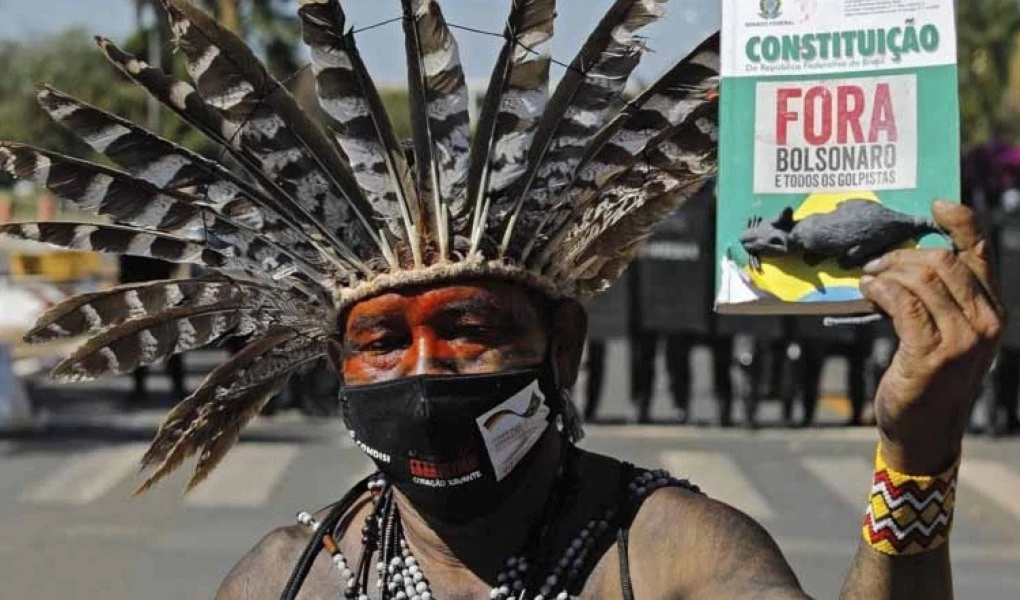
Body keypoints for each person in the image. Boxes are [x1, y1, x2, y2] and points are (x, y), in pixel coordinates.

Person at [0, 1, 1003, 599]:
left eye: (470, 330)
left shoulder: (670, 552)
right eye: (382, 343)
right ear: (338, 367)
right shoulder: (291, 577)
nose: (426, 374)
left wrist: (918, 457)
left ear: (561, 343)